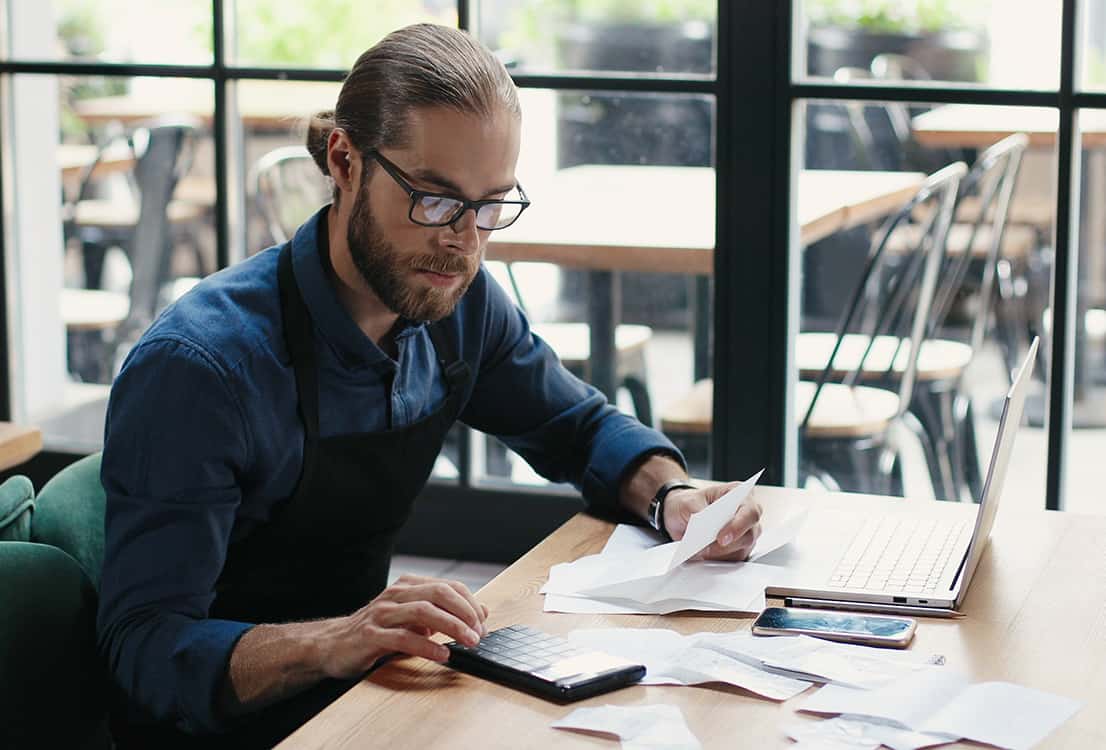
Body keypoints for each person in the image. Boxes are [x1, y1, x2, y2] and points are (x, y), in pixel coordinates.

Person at [97, 23, 762, 748]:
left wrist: (671, 497)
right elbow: (144, 650)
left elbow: (579, 428)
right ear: (344, 159)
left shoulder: (457, 306)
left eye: (490, 207)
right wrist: (333, 641)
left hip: (359, 698)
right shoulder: (203, 370)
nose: (464, 241)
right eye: (436, 201)